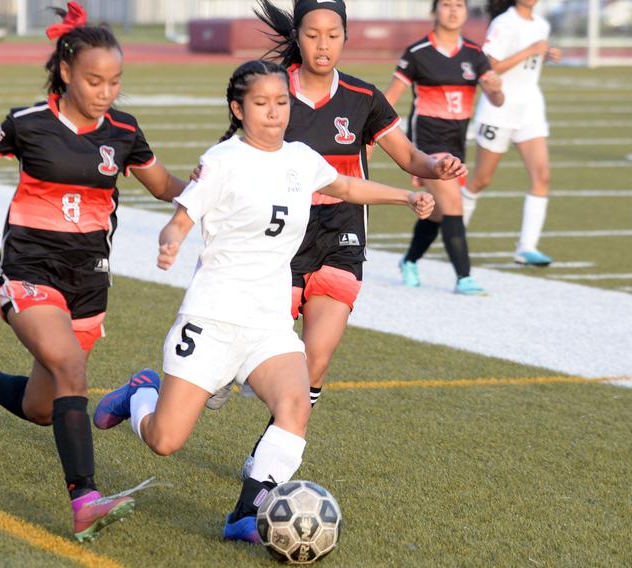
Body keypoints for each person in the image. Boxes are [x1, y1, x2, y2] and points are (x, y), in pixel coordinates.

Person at [92, 60, 436, 543]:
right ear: (238, 108)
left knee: (295, 406)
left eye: (281, 102)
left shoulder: (299, 157)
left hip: (269, 323)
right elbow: (184, 214)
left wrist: (405, 196)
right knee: (164, 441)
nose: (274, 113)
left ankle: (244, 515)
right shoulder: (223, 160)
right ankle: (141, 394)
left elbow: (345, 187)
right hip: (213, 318)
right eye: (261, 104)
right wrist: (171, 239)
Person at [0, 2, 186, 542]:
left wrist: (213, 192)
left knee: (40, 407)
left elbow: (164, 185)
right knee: (72, 370)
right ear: (66, 72)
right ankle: (86, 499)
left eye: (115, 81)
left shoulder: (123, 132)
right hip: (29, 271)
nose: (106, 91)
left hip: (88, 281)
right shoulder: (28, 124)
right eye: (95, 80)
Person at [221, 0, 466, 478]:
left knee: (314, 363)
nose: (323, 45)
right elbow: (238, 159)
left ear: (346, 37)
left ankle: (265, 469)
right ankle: (174, 386)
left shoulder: (362, 97)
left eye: (333, 35)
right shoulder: (271, 91)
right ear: (298, 37)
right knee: (242, 351)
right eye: (313, 34)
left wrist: (436, 165)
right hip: (278, 238)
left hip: (342, 236)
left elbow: (410, 157)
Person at [384, 0, 505, 294]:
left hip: (456, 147)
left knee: (438, 214)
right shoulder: (417, 52)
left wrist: (495, 89)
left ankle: (409, 260)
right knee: (453, 203)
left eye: (460, 5)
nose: (454, 10)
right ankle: (464, 277)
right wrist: (373, 134)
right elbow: (390, 100)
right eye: (447, 4)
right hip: (426, 146)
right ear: (435, 11)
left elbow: (498, 101)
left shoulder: (475, 55)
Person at [463, 0, 561, 266]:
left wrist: (546, 55)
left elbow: (529, 67)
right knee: (481, 180)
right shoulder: (503, 23)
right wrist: (530, 50)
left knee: (542, 175)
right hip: (499, 108)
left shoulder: (542, 24)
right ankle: (454, 232)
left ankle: (526, 247)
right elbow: (489, 66)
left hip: (530, 109)